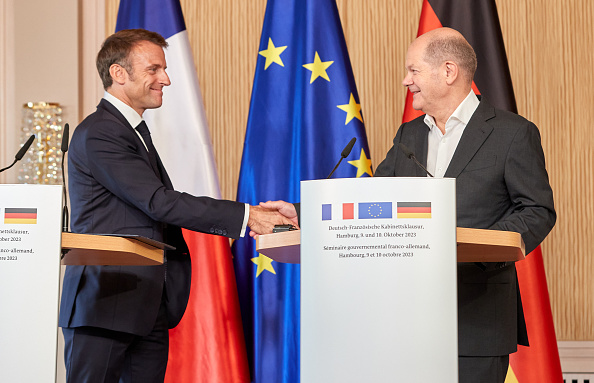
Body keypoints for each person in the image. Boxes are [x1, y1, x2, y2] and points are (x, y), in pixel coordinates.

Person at [262, 27, 556, 383]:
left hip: (476, 320)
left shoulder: (512, 133)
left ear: (448, 72)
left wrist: (478, 247)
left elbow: (537, 211)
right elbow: (373, 199)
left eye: (413, 70)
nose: (406, 80)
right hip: (404, 323)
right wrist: (304, 212)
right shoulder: (409, 135)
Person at [59, 29, 297, 383]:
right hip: (106, 304)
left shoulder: (131, 130)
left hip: (146, 304)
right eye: (154, 69)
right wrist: (248, 216)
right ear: (118, 74)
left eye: (164, 69)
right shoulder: (100, 132)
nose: (165, 79)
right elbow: (158, 202)